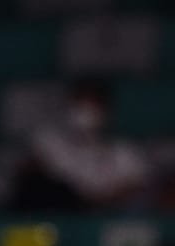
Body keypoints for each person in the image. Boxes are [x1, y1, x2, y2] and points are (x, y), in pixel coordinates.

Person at [9, 81, 150, 214]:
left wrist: (99, 200)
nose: (84, 112)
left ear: (104, 110)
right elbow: (27, 172)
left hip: (105, 217)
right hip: (55, 215)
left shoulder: (124, 151)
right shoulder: (48, 141)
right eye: (79, 104)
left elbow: (139, 185)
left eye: (91, 105)